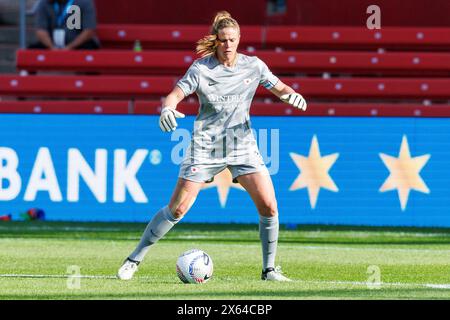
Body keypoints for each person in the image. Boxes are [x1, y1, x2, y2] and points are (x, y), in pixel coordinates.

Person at [117, 11, 307, 282]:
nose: (228, 45)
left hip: (242, 145)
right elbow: (175, 94)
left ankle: (269, 270)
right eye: (223, 40)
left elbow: (279, 87)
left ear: (239, 39)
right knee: (177, 209)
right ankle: (134, 259)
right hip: (205, 146)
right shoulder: (201, 69)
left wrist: (292, 94)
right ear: (215, 41)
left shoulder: (254, 66)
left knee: (269, 206)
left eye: (232, 39)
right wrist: (167, 109)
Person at [28, 0, 100, 50]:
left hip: (78, 43)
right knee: (31, 51)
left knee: (90, 50)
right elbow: (41, 30)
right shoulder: (44, 3)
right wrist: (52, 47)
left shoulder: (84, 2)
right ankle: (26, 71)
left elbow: (89, 31)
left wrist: (70, 47)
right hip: (51, 43)